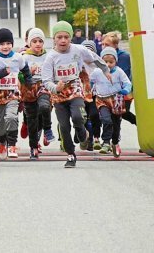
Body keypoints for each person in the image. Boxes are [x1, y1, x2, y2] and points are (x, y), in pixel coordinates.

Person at [42, 21, 109, 168]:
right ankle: (71, 155)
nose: (63, 40)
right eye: (59, 37)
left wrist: (105, 69)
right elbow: (46, 80)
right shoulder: (50, 57)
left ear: (71, 38)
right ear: (54, 39)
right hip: (59, 95)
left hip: (75, 89)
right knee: (64, 126)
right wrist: (55, 87)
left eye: (66, 37)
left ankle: (81, 131)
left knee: (78, 116)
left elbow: (94, 58)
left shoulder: (78, 50)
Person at [0, 28, 32, 160]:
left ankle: (12, 144)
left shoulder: (17, 57)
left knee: (11, 117)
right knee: (0, 125)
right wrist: (2, 73)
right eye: (1, 44)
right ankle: (2, 142)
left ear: (12, 43)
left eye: (8, 43)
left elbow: (25, 69)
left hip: (12, 92)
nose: (5, 47)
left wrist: (28, 81)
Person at [90, 47, 132, 157]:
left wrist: (126, 90)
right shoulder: (97, 71)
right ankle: (106, 142)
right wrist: (88, 90)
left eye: (111, 62)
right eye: (105, 62)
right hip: (102, 99)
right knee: (106, 119)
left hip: (116, 99)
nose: (108, 64)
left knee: (116, 123)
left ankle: (115, 142)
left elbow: (127, 82)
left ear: (116, 62)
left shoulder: (118, 71)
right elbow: (90, 81)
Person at [21, 28, 54, 159]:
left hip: (43, 87)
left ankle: (47, 130)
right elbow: (19, 77)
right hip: (29, 90)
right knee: (32, 121)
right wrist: (29, 73)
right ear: (29, 43)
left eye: (40, 41)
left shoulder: (49, 56)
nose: (38, 44)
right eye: (34, 41)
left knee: (45, 107)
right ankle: (33, 147)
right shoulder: (24, 57)